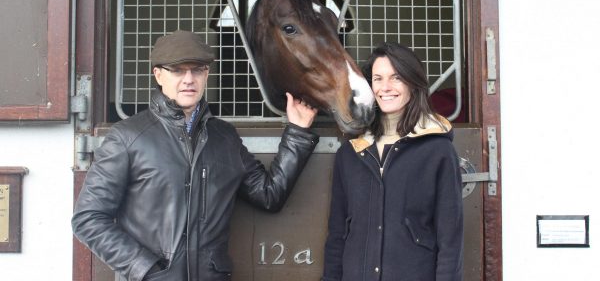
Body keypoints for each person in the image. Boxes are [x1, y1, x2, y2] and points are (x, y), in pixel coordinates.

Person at [72, 30, 319, 281]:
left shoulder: (224, 138)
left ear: (206, 74)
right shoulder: (127, 137)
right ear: (158, 75)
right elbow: (88, 218)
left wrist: (297, 132)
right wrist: (144, 268)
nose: (189, 79)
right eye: (178, 70)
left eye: (197, 70)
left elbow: (269, 194)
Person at [322, 42, 463, 281]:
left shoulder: (438, 151)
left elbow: (450, 240)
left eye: (396, 78)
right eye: (378, 78)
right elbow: (337, 235)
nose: (385, 87)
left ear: (412, 83)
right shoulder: (350, 153)